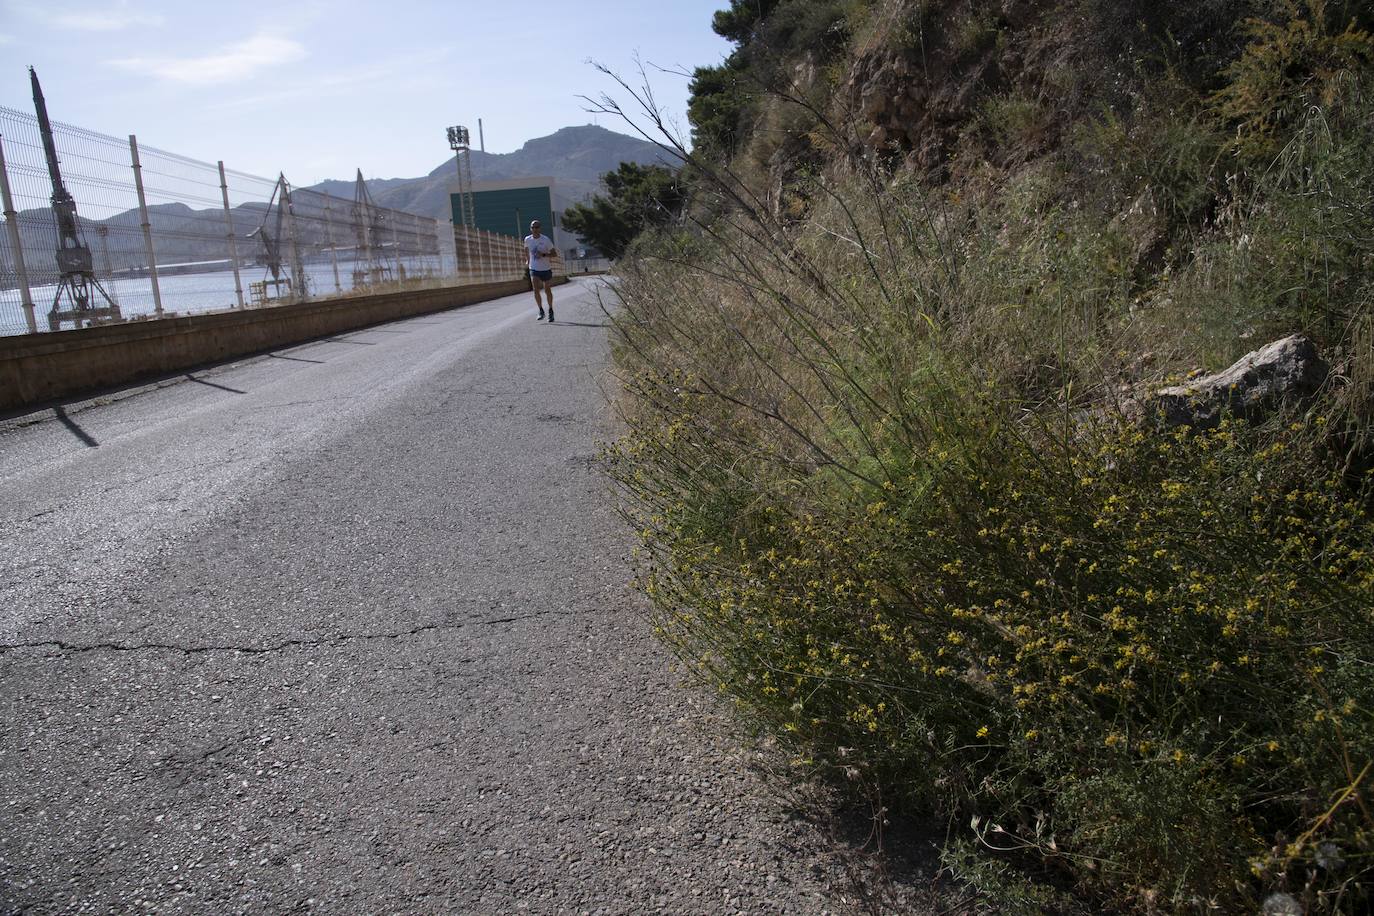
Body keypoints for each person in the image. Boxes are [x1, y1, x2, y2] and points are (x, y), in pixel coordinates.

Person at [524, 220, 556, 321]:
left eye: (537, 227)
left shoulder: (546, 239)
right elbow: (526, 249)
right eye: (533, 227)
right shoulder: (527, 239)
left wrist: (543, 254)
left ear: (540, 228)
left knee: (547, 290)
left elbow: (554, 254)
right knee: (536, 289)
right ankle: (541, 310)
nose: (535, 229)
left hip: (545, 268)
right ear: (530, 229)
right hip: (533, 268)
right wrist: (527, 260)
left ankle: (550, 310)